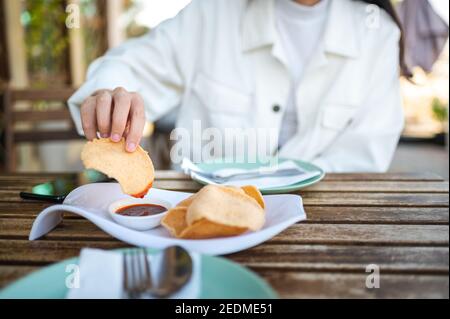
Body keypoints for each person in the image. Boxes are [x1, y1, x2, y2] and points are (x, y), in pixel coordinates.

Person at [68, 0, 407, 172]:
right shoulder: (212, 13)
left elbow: (364, 158)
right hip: (200, 228)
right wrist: (109, 95)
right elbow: (130, 67)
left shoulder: (377, 34)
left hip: (327, 226)